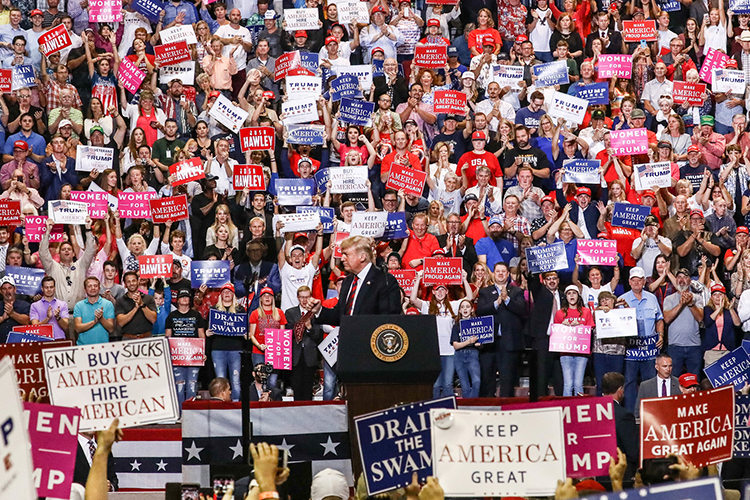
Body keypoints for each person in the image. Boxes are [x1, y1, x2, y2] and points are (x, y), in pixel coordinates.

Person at [311, 236, 402, 323]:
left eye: (346, 254)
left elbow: (388, 320)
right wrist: (319, 310)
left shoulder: (384, 281)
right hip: (348, 337)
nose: (342, 259)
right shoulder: (348, 281)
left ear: (362, 257)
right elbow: (340, 316)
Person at [476, 261, 527, 397]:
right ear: (493, 274)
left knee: (507, 381)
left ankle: (507, 410)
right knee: (487, 380)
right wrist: (497, 302)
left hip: (509, 343)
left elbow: (522, 310)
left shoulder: (517, 291)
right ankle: (487, 410)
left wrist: (507, 300)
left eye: (503, 271)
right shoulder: (485, 292)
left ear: (508, 274)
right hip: (489, 344)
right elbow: (480, 310)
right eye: (497, 271)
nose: (500, 274)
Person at [622, 267, 665, 412]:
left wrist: (661, 335)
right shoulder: (622, 299)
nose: (636, 282)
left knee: (651, 381)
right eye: (633, 279)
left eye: (639, 279)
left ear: (644, 281)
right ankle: (631, 413)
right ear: (629, 281)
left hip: (649, 347)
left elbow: (659, 319)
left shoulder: (652, 298)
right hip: (631, 347)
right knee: (629, 382)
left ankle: (652, 411)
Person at [165, 289, 205, 410]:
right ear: (177, 301)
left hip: (193, 356)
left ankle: (190, 413)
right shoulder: (171, 316)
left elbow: (201, 334)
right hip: (177, 356)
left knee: (192, 385)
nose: (185, 299)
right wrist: (168, 354)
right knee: (179, 386)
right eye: (182, 297)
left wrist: (203, 352)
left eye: (187, 296)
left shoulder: (196, 315)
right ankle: (179, 413)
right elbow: (168, 337)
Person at [554, 284, 594, 396]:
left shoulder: (586, 312)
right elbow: (556, 333)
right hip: (566, 353)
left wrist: (581, 326)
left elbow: (590, 329)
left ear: (578, 296)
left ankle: (578, 409)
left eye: (574, 293)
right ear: (566, 296)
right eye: (569, 293)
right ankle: (566, 410)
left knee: (578, 384)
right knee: (568, 384)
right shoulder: (560, 313)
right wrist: (562, 326)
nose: (572, 296)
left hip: (581, 353)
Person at [661, 268, 703, 377]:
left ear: (690, 281)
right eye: (679, 277)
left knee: (694, 379)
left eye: (685, 277)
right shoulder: (669, 299)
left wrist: (690, 304)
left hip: (694, 346)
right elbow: (667, 319)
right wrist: (681, 304)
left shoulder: (697, 298)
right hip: (675, 346)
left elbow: (700, 318)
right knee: (673, 380)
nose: (682, 280)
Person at [601, 372, 639, 488]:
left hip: (598, 474)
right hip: (621, 476)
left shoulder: (591, 413)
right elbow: (633, 452)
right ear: (620, 390)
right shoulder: (624, 415)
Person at [285, 286, 323, 401]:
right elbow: (287, 333)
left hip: (310, 355)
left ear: (310, 297)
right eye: (302, 297)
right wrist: (299, 328)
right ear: (298, 298)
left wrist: (309, 328)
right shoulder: (290, 313)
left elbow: (318, 336)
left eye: (307, 297)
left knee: (308, 388)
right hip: (295, 355)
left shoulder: (315, 313)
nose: (304, 300)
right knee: (296, 387)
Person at [634, 353, 680, 419]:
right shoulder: (645, 386)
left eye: (670, 366)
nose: (668, 369)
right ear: (657, 367)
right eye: (664, 366)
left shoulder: (679, 383)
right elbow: (638, 411)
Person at [115, 271, 157, 340]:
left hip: (147, 338)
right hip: (128, 339)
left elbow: (153, 319)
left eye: (133, 281)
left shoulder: (148, 298)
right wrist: (136, 308)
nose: (131, 284)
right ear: (125, 284)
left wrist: (142, 304)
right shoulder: (120, 301)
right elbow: (120, 322)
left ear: (138, 281)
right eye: (128, 282)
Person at [73, 277, 115, 345]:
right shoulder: (79, 305)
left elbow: (111, 329)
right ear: (85, 289)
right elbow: (78, 328)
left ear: (99, 288)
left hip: (103, 347)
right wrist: (94, 322)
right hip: (83, 347)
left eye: (95, 286)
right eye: (89, 286)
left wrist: (101, 318)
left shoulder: (108, 304)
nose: (93, 288)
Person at [29, 276, 69, 340]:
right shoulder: (34, 306)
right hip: (42, 340)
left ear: (55, 288)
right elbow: (34, 327)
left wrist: (58, 317)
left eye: (51, 287)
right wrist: (47, 318)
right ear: (42, 289)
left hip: (59, 339)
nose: (49, 289)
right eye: (46, 287)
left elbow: (66, 327)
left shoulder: (62, 304)